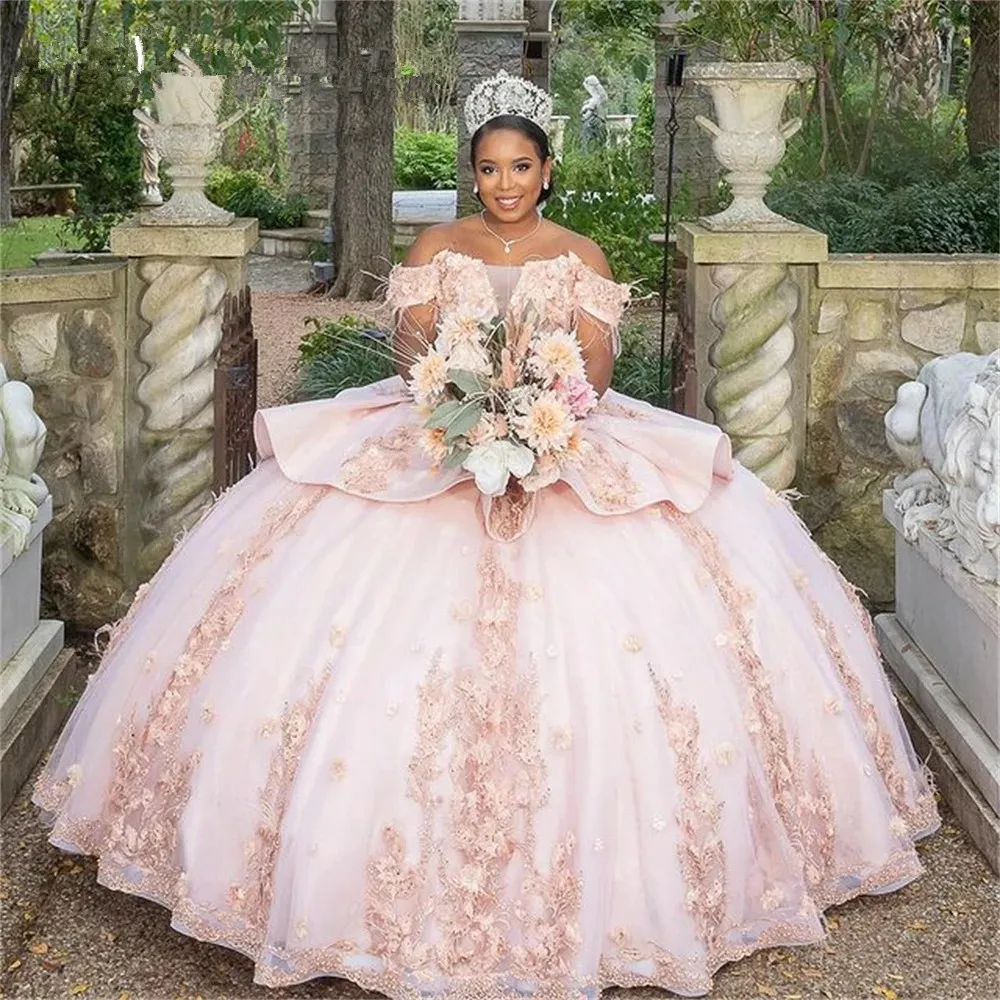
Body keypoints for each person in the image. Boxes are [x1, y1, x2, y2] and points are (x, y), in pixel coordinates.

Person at [34, 71, 938, 999]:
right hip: (435, 437)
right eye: (489, 167)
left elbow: (589, 370)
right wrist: (466, 409)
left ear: (547, 170)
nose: (504, 183)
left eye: (521, 166)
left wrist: (532, 413)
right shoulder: (437, 245)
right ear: (473, 172)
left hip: (563, 441)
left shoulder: (580, 257)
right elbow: (413, 357)